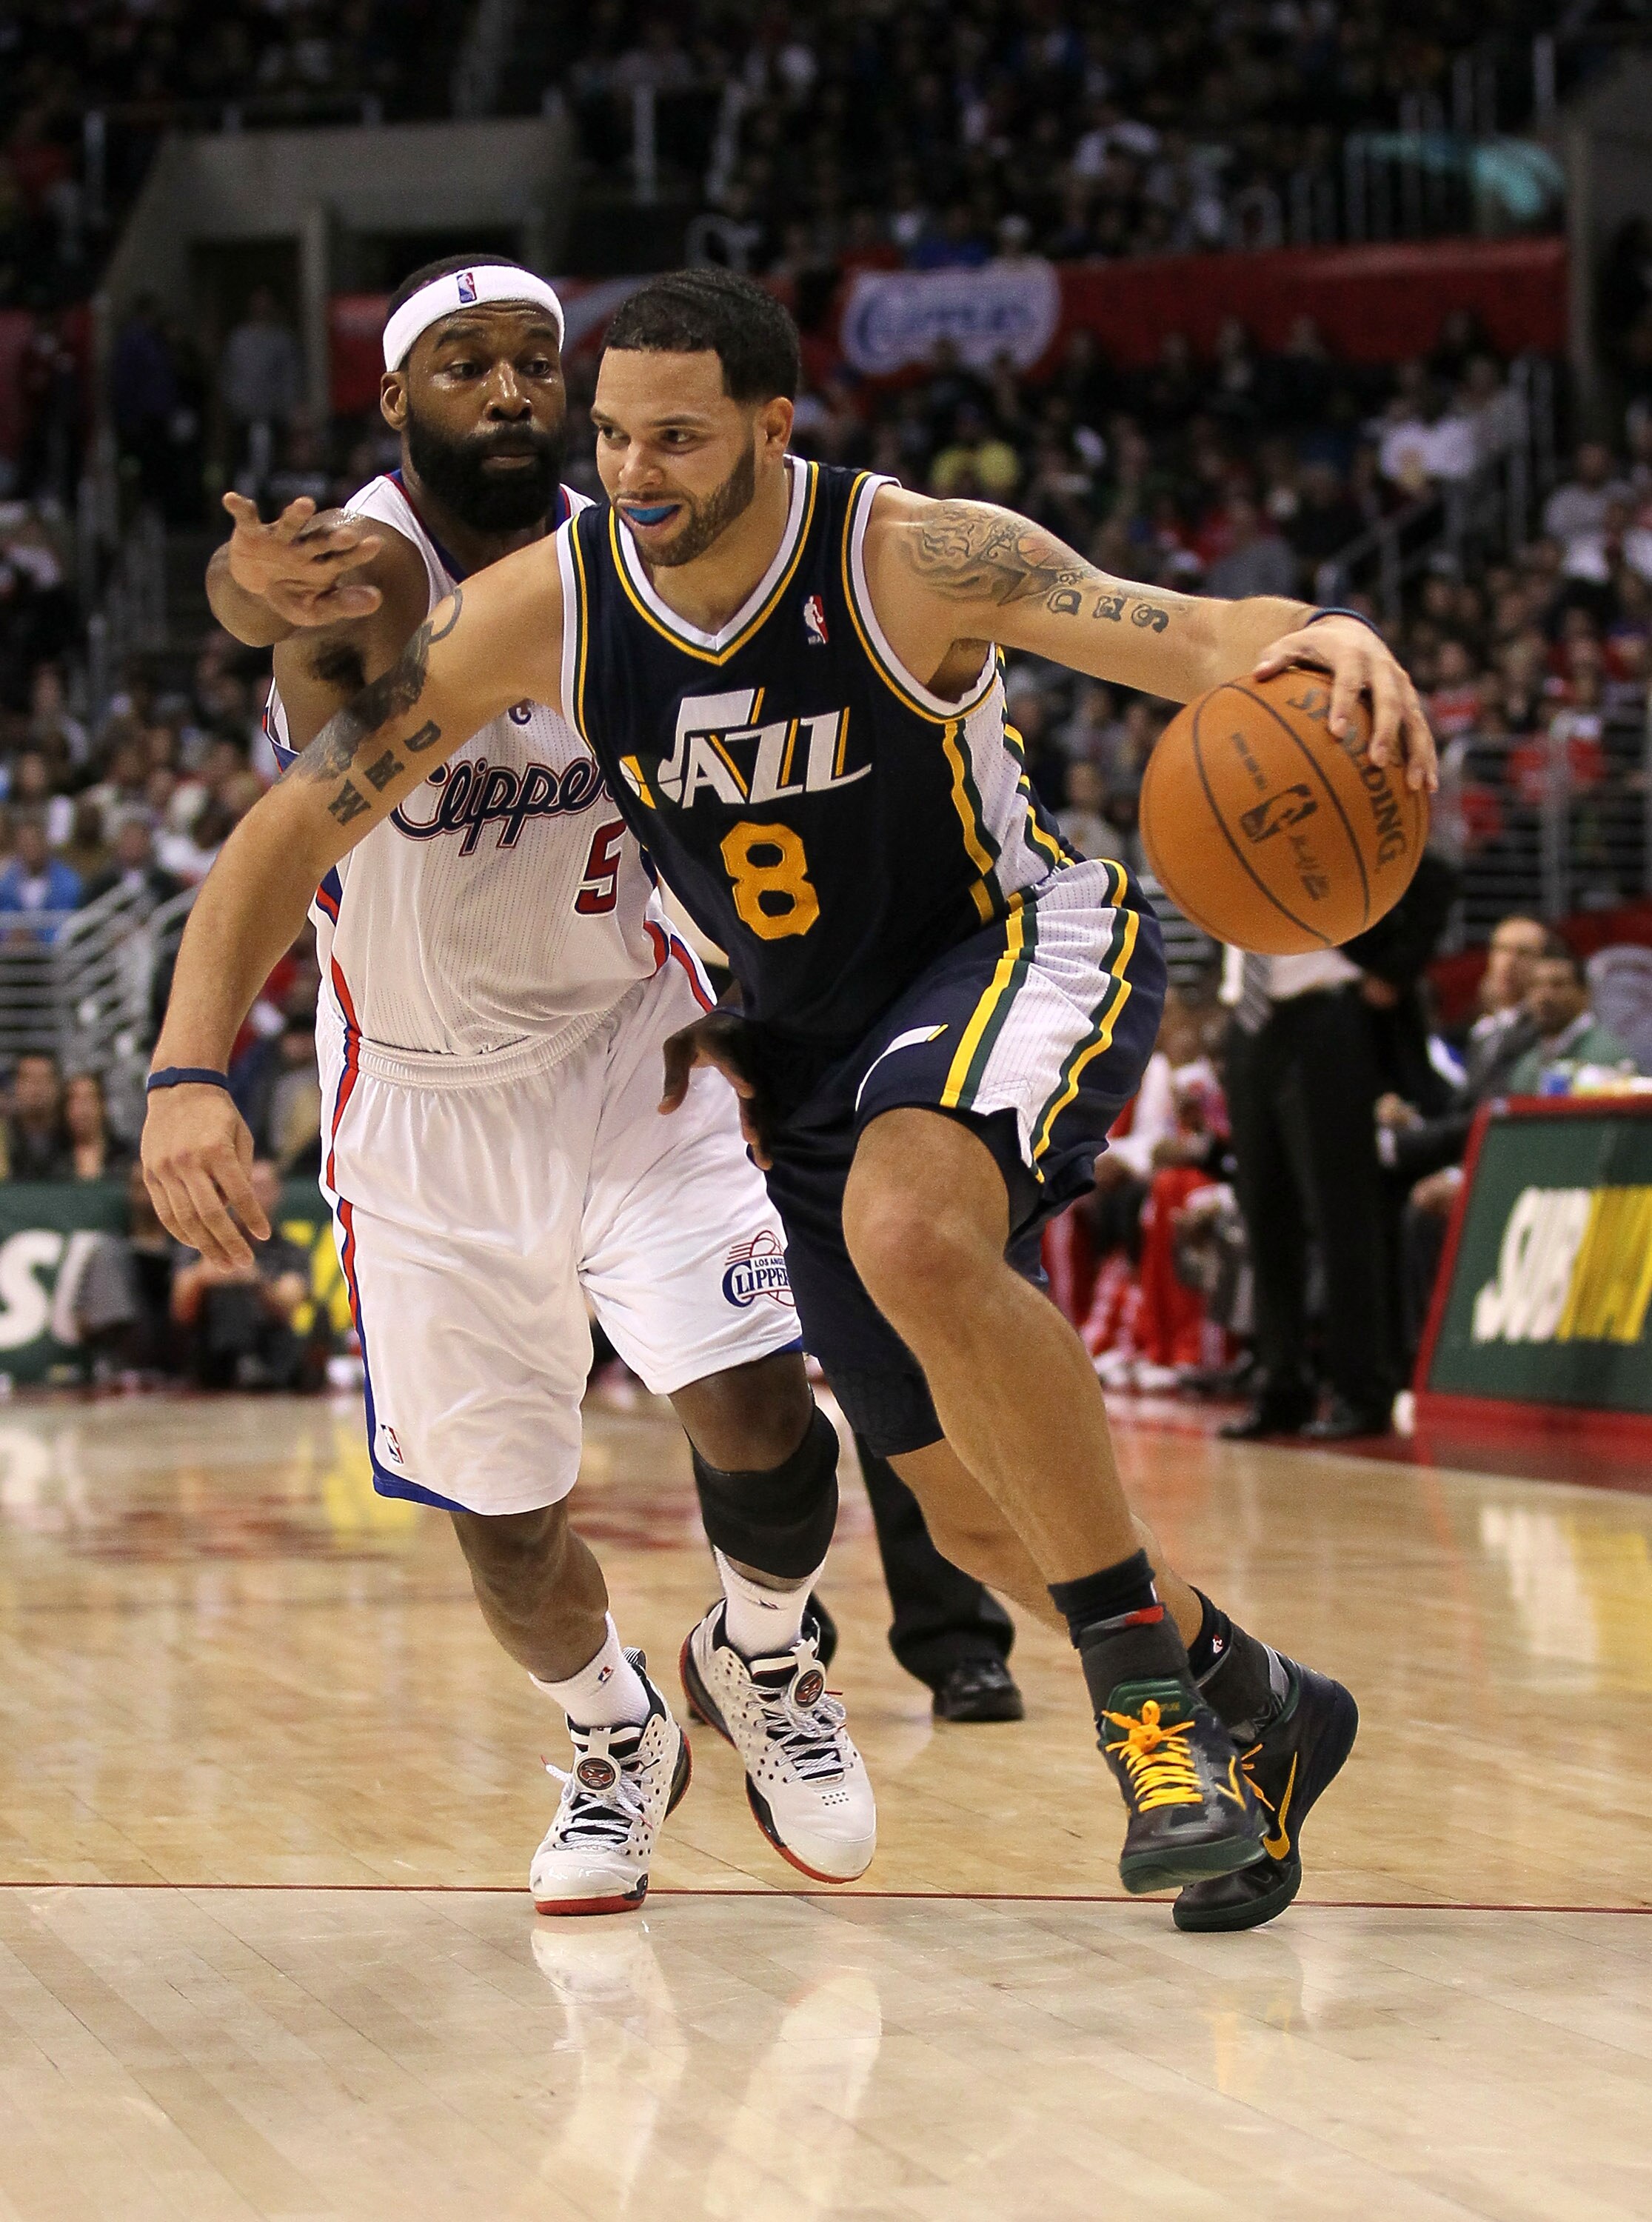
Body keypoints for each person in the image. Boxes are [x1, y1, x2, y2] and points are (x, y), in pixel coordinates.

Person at [144, 267, 1434, 1931]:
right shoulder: (546, 601)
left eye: (673, 436)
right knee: (964, 1512)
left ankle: (1130, 1722)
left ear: (772, 426)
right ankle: (1251, 1695)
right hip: (768, 1055)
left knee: (891, 1252)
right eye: (613, 439)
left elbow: (1179, 634)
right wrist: (188, 1066)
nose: (632, 472)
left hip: (989, 951)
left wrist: (1317, 634)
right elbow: (292, 784)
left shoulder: (907, 553)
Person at [157, 255, 875, 1917]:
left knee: (764, 1421)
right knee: (505, 1525)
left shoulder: (629, 552)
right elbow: (271, 610)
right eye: (462, 365)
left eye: (532, 363)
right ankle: (612, 1731)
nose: (506, 391)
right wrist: (239, 587)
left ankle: (760, 1658)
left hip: (633, 1052)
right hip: (418, 1114)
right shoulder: (358, 575)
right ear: (395, 401)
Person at [171, 1158, 310, 1389]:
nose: (252, 1196)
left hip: (269, 1347)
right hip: (211, 1351)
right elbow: (180, 1308)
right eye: (245, 1187)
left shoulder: (291, 1251)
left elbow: (288, 1304)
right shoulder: (202, 1243)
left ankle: (266, 1366)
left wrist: (256, 1280)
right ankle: (240, 1362)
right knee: (229, 1293)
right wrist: (202, 1277)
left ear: (278, 1193)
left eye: (261, 1187)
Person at [1504, 944, 1637, 1092]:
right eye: (1536, 985)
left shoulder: (1606, 1057)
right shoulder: (1527, 1065)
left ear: (1585, 993)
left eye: (1558, 985)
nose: (1544, 997)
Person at [0, 817, 81, 935]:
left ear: (45, 844)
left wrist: (35, 937)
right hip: (11, 950)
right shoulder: (5, 883)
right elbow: (5, 914)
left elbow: (65, 923)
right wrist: (9, 935)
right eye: (25, 844)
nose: (30, 849)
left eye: (34, 843)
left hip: (54, 950)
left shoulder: (68, 883)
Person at [1, 1050, 68, 1180]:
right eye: (28, 1079)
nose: (36, 1087)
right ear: (15, 1086)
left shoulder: (74, 1139)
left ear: (58, 1086)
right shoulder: (3, 1139)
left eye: (44, 1079)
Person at [61, 1070, 130, 1181]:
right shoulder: (54, 1159)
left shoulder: (125, 1158)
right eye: (74, 1100)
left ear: (102, 1105)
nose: (82, 1109)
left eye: (89, 1099)